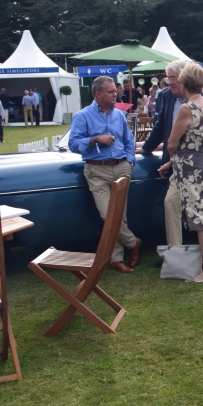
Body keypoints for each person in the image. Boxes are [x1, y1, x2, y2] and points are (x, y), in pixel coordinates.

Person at [140, 59, 203, 257]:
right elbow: (160, 127)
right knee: (172, 204)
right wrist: (145, 150)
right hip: (180, 167)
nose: (169, 82)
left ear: (184, 79)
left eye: (173, 78)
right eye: (167, 78)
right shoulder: (165, 97)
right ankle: (176, 255)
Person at [68, 76, 142, 273]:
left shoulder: (119, 115)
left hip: (121, 167)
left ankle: (116, 259)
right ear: (98, 94)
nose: (115, 94)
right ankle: (133, 243)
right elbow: (73, 144)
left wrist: (129, 161)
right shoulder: (83, 116)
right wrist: (95, 139)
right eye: (111, 92)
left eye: (115, 91)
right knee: (108, 214)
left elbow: (129, 140)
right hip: (96, 171)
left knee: (120, 215)